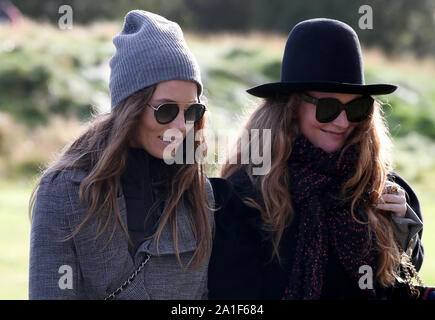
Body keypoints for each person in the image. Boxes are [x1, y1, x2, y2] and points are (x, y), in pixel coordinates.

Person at [208, 18, 424, 300]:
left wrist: (402, 232)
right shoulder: (244, 196)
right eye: (328, 107)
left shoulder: (385, 190)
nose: (343, 121)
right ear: (291, 107)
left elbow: (399, 289)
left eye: (356, 107)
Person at [29, 10, 214, 300]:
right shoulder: (63, 191)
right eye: (166, 110)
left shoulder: (198, 192)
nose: (181, 126)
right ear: (131, 107)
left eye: (192, 111)